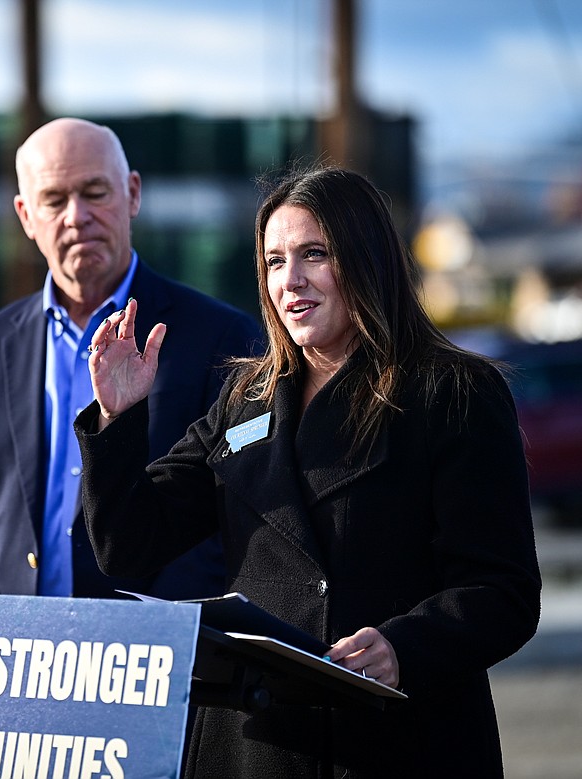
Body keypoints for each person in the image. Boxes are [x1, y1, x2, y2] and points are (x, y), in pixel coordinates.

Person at [75, 165, 542, 777]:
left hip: (395, 744)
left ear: (366, 258)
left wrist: (406, 646)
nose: (288, 281)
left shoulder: (453, 393)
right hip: (257, 748)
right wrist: (118, 419)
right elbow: (129, 547)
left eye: (314, 255)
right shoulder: (247, 398)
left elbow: (503, 592)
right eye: (273, 261)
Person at [0, 117, 262, 600]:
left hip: (159, 657)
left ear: (133, 194)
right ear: (25, 216)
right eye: (54, 200)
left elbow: (237, 521)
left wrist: (159, 635)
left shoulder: (223, 338)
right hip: (9, 661)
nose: (76, 216)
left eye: (95, 192)